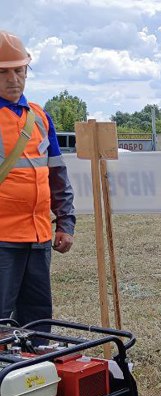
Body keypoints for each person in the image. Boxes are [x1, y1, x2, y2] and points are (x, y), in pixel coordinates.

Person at [0, 31, 75, 330]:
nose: (13, 79)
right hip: (3, 240)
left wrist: (65, 224)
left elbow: (57, 174)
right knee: (3, 324)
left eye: (19, 70)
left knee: (38, 320)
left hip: (39, 238)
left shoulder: (40, 117)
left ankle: (36, 374)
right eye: (3, 72)